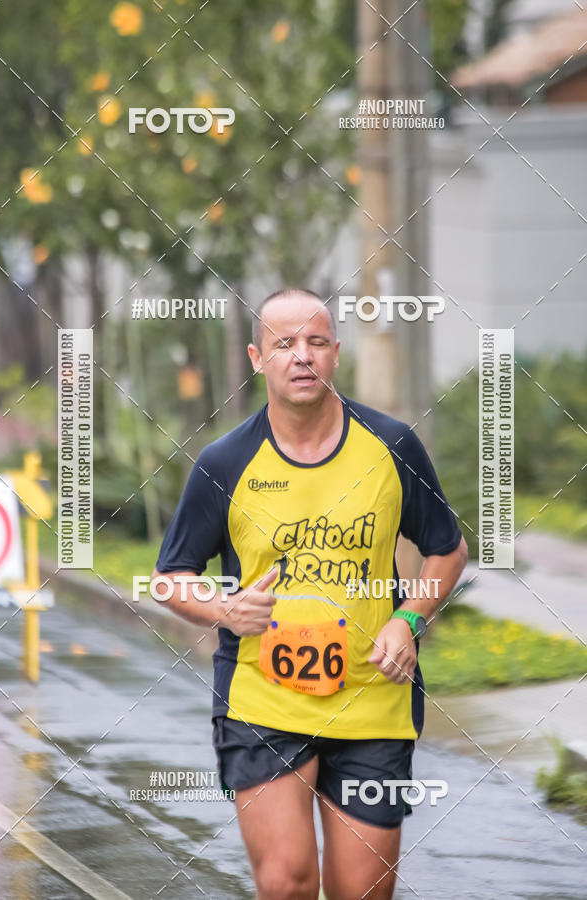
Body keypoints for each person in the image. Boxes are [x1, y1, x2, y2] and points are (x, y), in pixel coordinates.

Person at [153, 288, 468, 900]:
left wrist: (411, 619)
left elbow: (448, 549)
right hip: (264, 702)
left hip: (374, 700)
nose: (302, 356)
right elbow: (171, 576)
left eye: (316, 342)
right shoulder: (225, 462)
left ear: (336, 355)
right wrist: (224, 608)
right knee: (288, 881)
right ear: (256, 358)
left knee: (363, 892)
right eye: (285, 344)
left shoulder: (392, 446)